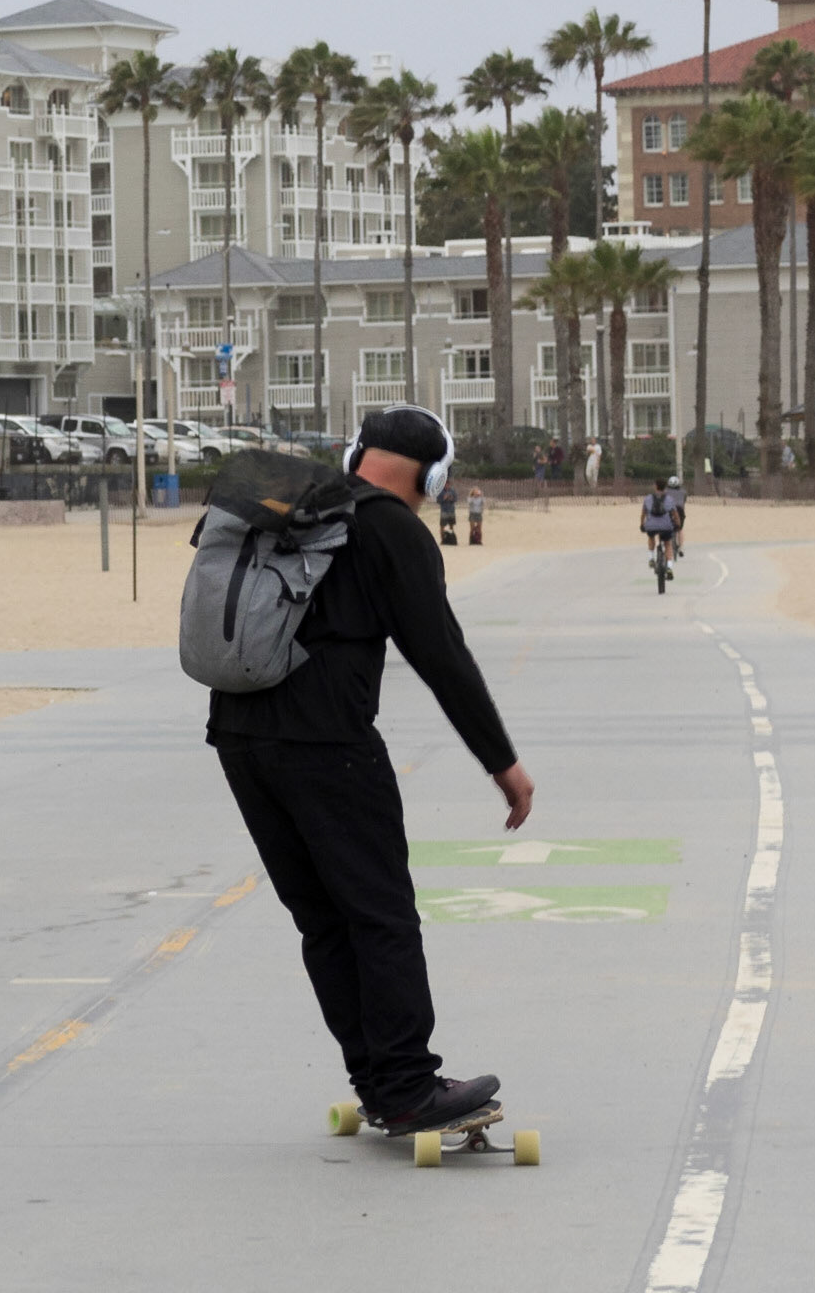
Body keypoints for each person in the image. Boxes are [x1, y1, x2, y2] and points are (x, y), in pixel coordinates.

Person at [207, 404, 534, 1138]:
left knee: (323, 920)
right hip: (328, 744)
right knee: (381, 914)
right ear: (435, 473)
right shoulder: (392, 530)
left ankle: (379, 1080)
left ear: (357, 451)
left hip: (237, 735)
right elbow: (441, 656)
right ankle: (411, 1088)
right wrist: (502, 763)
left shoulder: (289, 508)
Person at [640, 476, 678, 572]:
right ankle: (669, 567)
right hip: (666, 526)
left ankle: (651, 558)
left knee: (651, 537)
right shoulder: (669, 499)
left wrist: (642, 525)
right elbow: (675, 515)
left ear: (655, 486)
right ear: (665, 487)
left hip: (651, 525)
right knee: (668, 544)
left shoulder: (648, 498)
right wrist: (678, 524)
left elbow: (643, 514)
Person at [436, 481, 458, 547]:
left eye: (448, 484)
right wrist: (444, 498)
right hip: (444, 510)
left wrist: (451, 498)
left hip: (451, 510)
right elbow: (438, 501)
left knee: (451, 525)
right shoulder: (441, 492)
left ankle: (451, 539)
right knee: (442, 526)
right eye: (445, 484)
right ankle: (443, 539)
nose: (447, 485)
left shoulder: (452, 491)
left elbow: (456, 499)